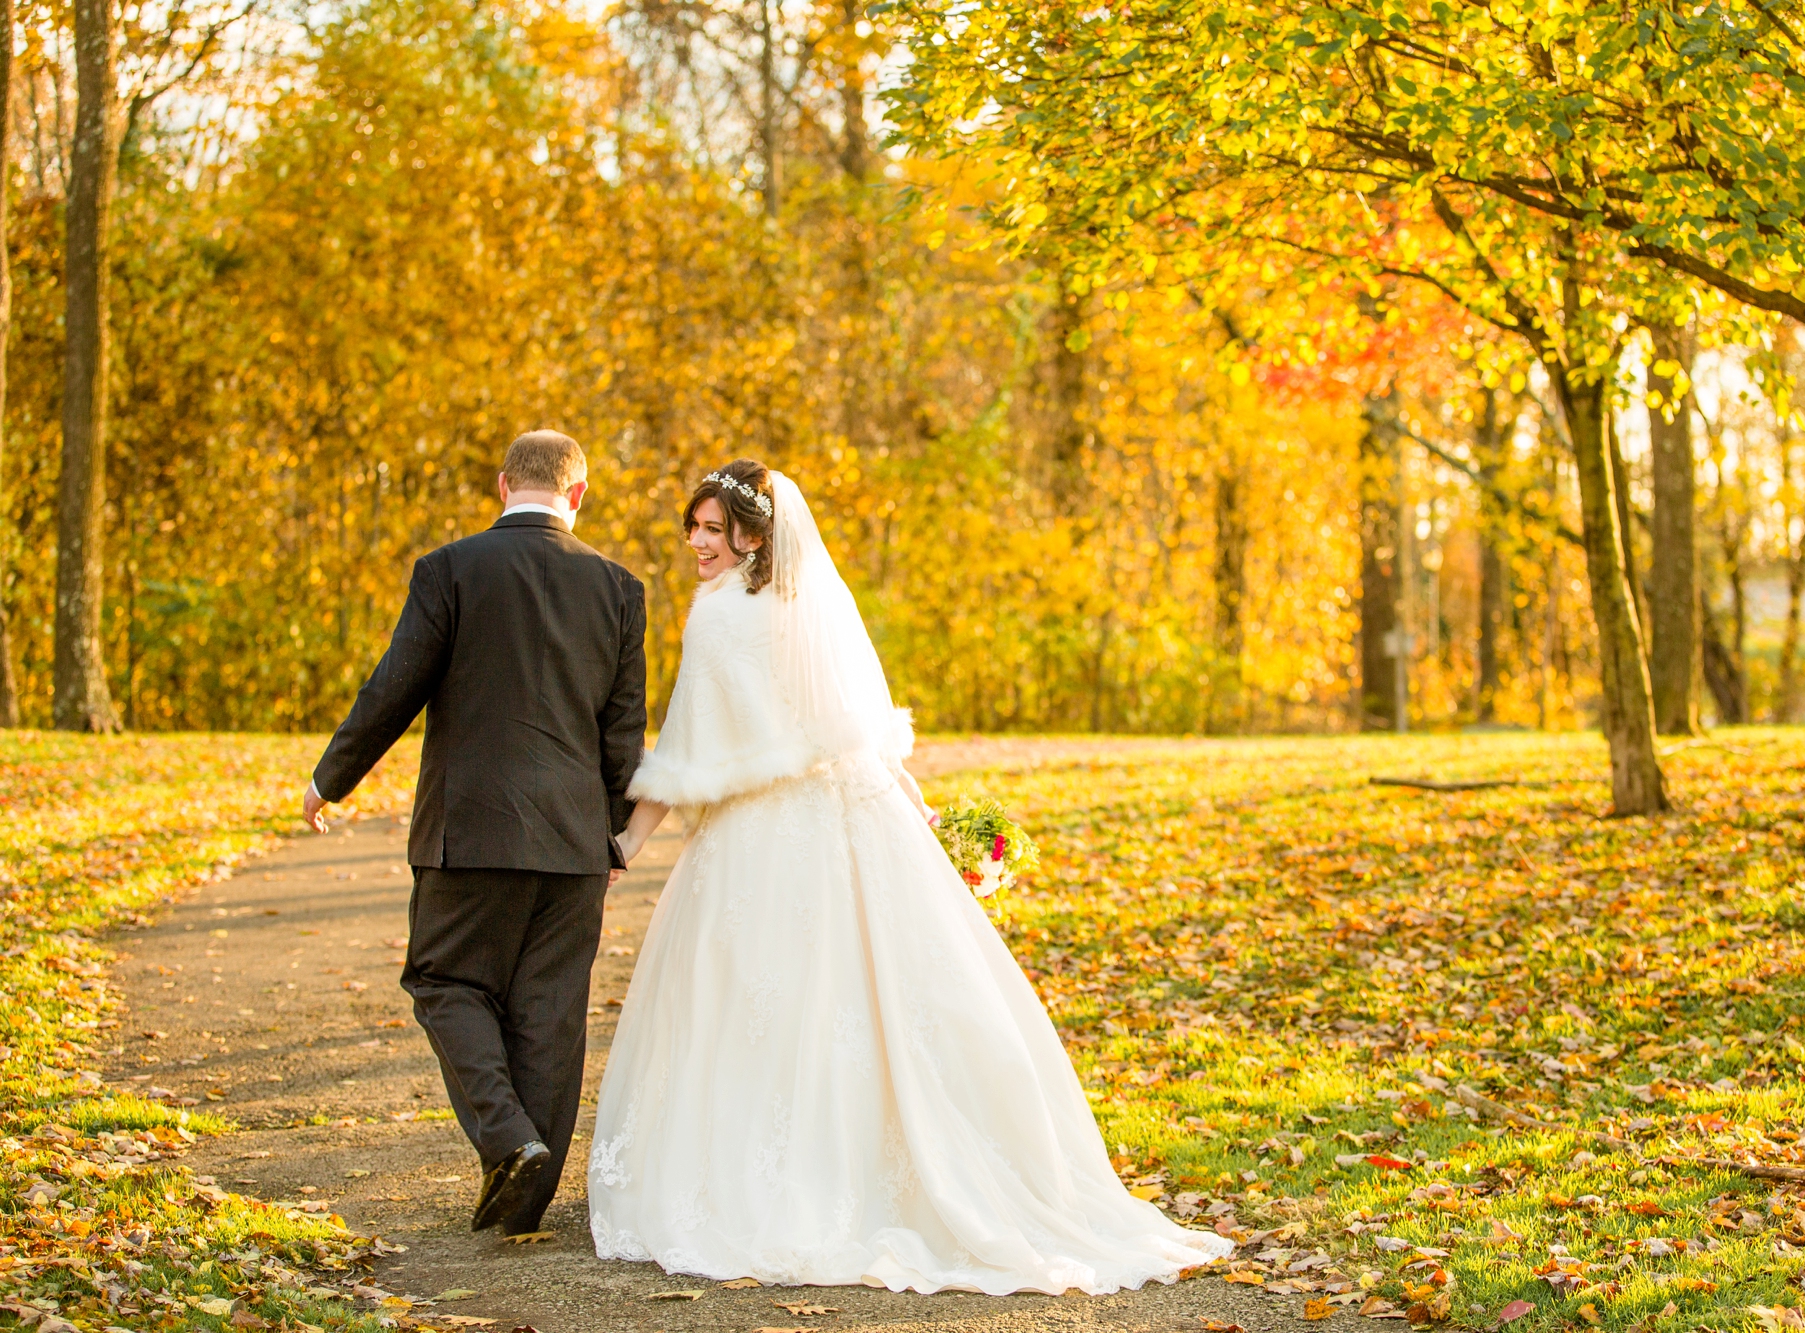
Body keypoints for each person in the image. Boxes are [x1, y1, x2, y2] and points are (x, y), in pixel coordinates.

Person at [587, 459, 1229, 1293]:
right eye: (695, 529)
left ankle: (785, 1179)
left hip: (760, 841)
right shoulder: (805, 604)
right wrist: (916, 813)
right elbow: (855, 731)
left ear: (753, 534)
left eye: (714, 529)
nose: (698, 544)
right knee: (868, 1002)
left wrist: (627, 843)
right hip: (846, 820)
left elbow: (686, 749)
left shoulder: (716, 618)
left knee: (762, 1004)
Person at [303, 430, 648, 1237]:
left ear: (502, 485)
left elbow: (395, 687)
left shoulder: (450, 569)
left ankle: (509, 1140)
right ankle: (525, 1192)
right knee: (550, 1014)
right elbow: (623, 732)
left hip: (472, 832)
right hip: (572, 842)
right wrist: (614, 838)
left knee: (445, 980)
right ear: (580, 492)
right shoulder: (618, 588)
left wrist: (331, 777)